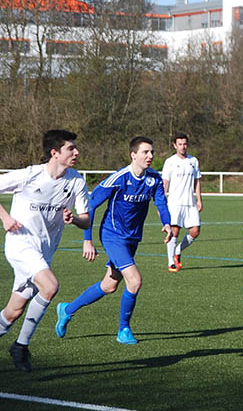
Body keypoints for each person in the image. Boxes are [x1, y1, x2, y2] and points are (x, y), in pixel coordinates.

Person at [55, 136, 171, 345]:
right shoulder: (119, 178)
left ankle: (67, 309)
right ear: (133, 155)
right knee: (134, 281)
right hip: (112, 235)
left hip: (132, 238)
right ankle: (123, 330)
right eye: (145, 152)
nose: (150, 156)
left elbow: (161, 202)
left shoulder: (154, 178)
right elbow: (90, 205)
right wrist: (87, 240)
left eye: (152, 152)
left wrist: (167, 222)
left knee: (109, 285)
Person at [0, 130, 91, 371]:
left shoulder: (76, 181)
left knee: (13, 311)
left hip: (44, 252)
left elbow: (86, 219)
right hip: (20, 245)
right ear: (54, 153)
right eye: (71, 148)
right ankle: (21, 346)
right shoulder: (30, 175)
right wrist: (5, 218)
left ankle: (16, 342)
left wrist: (75, 220)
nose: (76, 152)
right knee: (50, 286)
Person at [162, 132, 203, 272]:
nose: (183, 147)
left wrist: (199, 199)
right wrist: (161, 203)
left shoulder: (193, 161)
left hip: (190, 202)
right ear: (175, 145)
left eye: (185, 144)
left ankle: (177, 251)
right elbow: (165, 183)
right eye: (180, 144)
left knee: (195, 231)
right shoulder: (170, 162)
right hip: (174, 202)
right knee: (174, 231)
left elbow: (197, 181)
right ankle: (170, 262)